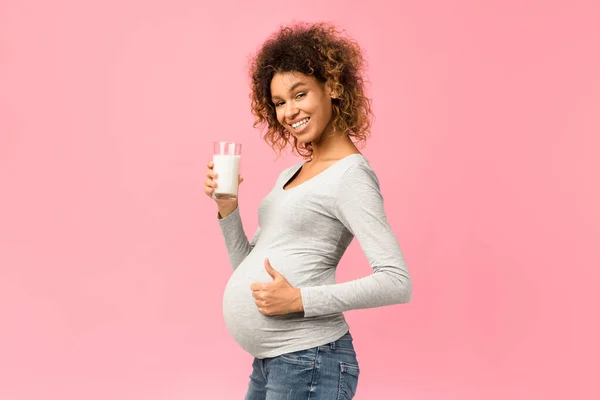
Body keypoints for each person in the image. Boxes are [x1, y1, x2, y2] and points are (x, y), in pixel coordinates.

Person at [203, 22, 412, 400]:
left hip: (311, 359)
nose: (288, 111)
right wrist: (227, 207)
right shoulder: (290, 174)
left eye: (299, 95)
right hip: (273, 361)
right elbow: (247, 270)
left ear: (332, 87)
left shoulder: (351, 175)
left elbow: (397, 281)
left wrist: (300, 300)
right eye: (279, 102)